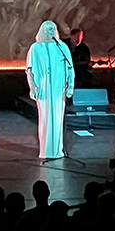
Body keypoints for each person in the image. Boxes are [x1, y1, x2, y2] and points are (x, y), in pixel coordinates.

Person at [25, 20, 75, 160]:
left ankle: (57, 150)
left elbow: (70, 68)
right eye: (48, 29)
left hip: (59, 89)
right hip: (44, 88)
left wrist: (70, 86)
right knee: (45, 119)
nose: (51, 32)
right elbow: (30, 70)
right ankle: (46, 151)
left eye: (53, 29)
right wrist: (33, 87)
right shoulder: (35, 48)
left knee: (58, 120)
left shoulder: (62, 47)